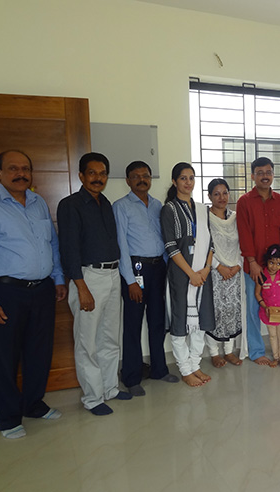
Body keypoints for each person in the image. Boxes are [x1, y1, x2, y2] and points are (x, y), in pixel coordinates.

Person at [0, 150, 66, 439]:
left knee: (39, 352)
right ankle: (7, 417)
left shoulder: (38, 203)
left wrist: (58, 278)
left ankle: (33, 404)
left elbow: (53, 246)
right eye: (12, 168)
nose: (20, 173)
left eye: (25, 168)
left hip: (43, 290)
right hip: (7, 292)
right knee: (7, 357)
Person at [57, 152, 132, 416]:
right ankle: (92, 397)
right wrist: (81, 287)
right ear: (81, 175)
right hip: (88, 278)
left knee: (110, 337)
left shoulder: (106, 204)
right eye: (92, 173)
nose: (98, 178)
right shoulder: (70, 205)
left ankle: (110, 388)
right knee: (87, 341)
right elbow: (69, 250)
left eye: (102, 174)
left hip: (112, 276)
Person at [113, 161, 179, 397]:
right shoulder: (120, 207)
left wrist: (165, 269)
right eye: (136, 176)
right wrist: (130, 280)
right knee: (132, 324)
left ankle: (159, 370)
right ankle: (131, 377)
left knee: (158, 321)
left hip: (157, 268)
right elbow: (120, 244)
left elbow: (163, 239)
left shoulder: (158, 205)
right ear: (128, 181)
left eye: (146, 176)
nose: (142, 179)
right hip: (136, 269)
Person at [161, 162, 214, 387]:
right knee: (181, 322)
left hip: (202, 273)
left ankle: (196, 364)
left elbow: (211, 243)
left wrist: (206, 269)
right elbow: (171, 246)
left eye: (191, 178)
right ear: (174, 182)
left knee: (200, 321)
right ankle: (185, 369)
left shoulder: (202, 209)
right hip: (182, 274)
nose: (188, 182)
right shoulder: (169, 209)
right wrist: (191, 273)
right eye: (183, 178)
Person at [236, 157, 280, 365]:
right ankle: (257, 351)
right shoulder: (244, 202)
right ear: (253, 176)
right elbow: (244, 233)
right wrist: (252, 262)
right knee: (254, 308)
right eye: (260, 172)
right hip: (255, 266)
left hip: (277, 268)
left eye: (268, 172)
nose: (265, 176)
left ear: (273, 175)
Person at [205, 178, 245, 368]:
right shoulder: (204, 218)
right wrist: (219, 267)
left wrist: (237, 265)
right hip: (215, 272)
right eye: (216, 193)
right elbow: (202, 247)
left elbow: (243, 244)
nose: (221, 197)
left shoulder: (236, 217)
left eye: (225, 193)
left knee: (232, 311)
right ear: (209, 196)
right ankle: (214, 353)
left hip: (235, 272)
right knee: (215, 312)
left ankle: (229, 351)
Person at [254, 245, 280, 370]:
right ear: (267, 261)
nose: (274, 266)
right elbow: (257, 293)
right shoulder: (261, 276)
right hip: (268, 313)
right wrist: (264, 306)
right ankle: (276, 358)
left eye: (278, 264)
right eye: (271, 262)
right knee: (272, 336)